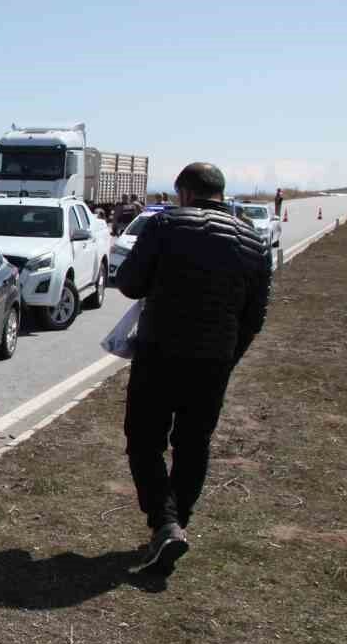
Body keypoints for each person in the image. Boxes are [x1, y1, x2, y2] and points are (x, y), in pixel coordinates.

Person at [115, 162, 272, 574]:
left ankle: (165, 523)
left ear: (183, 192)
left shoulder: (165, 226)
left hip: (159, 352)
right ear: (221, 193)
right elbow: (254, 317)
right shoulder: (253, 242)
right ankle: (175, 524)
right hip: (213, 361)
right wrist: (226, 356)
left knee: (144, 439)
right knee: (193, 444)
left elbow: (129, 283)